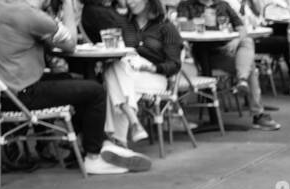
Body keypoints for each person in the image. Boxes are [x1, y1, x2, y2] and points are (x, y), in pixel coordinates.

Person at [0, 0, 133, 172]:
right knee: (95, 91)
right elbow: (70, 43)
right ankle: (93, 157)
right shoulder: (30, 15)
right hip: (21, 96)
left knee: (71, 81)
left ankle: (88, 145)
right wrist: (67, 5)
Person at [99, 0, 185, 160]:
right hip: (128, 74)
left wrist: (153, 68)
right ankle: (131, 126)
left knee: (112, 77)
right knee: (115, 69)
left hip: (155, 77)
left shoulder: (166, 27)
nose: (130, 2)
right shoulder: (126, 24)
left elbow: (174, 64)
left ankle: (118, 139)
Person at [176, 0, 280, 128]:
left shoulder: (222, 5)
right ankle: (257, 113)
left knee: (246, 42)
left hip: (224, 50)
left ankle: (242, 80)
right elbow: (181, 28)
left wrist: (236, 41)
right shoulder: (186, 5)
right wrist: (198, 20)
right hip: (204, 54)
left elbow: (242, 28)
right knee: (250, 67)